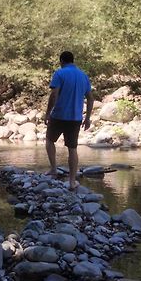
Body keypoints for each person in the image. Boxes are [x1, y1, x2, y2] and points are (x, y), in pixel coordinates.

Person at [45, 51, 94, 189]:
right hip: (76, 118)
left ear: (61, 61)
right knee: (72, 148)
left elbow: (54, 95)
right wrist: (88, 118)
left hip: (59, 115)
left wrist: (48, 113)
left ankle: (54, 169)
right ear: (73, 60)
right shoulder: (83, 76)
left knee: (49, 141)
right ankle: (72, 182)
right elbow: (90, 98)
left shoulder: (60, 73)